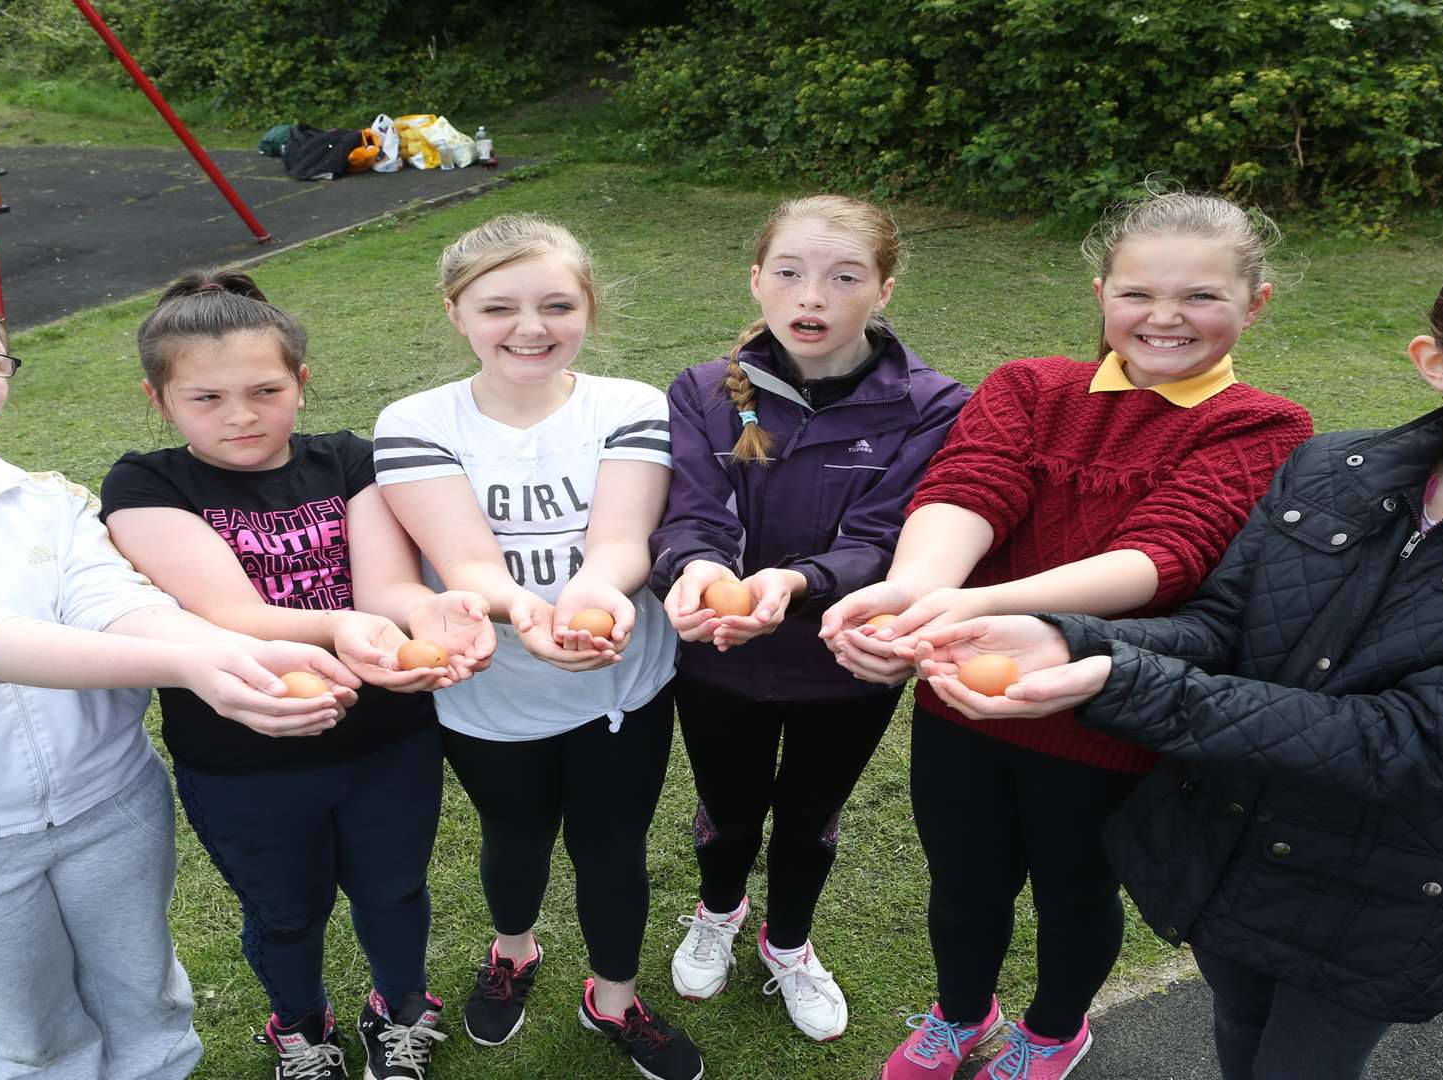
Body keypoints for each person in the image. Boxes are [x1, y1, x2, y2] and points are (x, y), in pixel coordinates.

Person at [908, 225, 1443, 1079]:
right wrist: (1069, 635)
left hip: (1376, 890)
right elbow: (1220, 631)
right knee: (1237, 1031)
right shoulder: (1332, 469)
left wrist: (1113, 674)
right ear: (1438, 359)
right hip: (1227, 849)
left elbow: (1411, 743)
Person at [0, 284, 358, 1079]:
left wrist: (232, 656)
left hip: (109, 806)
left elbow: (116, 603)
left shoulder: (48, 500)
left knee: (152, 1014)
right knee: (32, 1042)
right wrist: (194, 663)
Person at [822, 191, 1315, 1080]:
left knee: (1075, 890)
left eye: (1201, 296)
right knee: (964, 881)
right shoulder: (1030, 387)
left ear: (1256, 302)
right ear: (1101, 292)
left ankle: (1053, 1033)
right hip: (961, 698)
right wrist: (913, 594)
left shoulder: (1263, 424)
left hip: (1104, 712)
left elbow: (1167, 551)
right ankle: (961, 1015)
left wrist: (975, 609)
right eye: (1137, 293)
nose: (1164, 318)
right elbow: (971, 488)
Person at [100, 271, 495, 1080]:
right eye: (205, 398)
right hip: (243, 755)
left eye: (265, 389)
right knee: (285, 912)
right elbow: (225, 612)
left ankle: (399, 1010)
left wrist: (426, 618)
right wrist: (347, 626)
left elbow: (386, 585)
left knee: (394, 892)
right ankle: (301, 1028)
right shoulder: (146, 484)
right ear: (159, 399)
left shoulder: (351, 460)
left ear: (302, 384)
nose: (241, 416)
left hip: (387, 741)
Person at [370, 214, 702, 1080]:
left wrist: (596, 594)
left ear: (588, 306)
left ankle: (616, 997)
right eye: (498, 308)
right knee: (513, 835)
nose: (530, 328)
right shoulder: (413, 420)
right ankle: (513, 949)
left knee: (612, 846)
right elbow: (467, 560)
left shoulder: (629, 404)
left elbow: (623, 540)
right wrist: (527, 612)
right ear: (456, 314)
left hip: (621, 686)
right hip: (489, 692)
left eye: (557, 304)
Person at [648, 194, 969, 1041]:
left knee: (810, 817)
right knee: (727, 807)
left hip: (848, 661)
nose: (811, 298)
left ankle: (787, 938)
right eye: (788, 273)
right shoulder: (699, 391)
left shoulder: (932, 406)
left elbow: (887, 535)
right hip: (720, 657)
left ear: (886, 289)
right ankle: (719, 909)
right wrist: (703, 568)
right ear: (757, 280)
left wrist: (794, 582)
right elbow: (690, 514)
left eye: (843, 277)